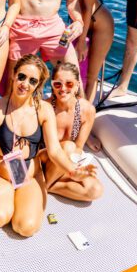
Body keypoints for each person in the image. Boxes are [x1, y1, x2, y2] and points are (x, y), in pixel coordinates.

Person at [0, 55, 96, 237]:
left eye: (32, 80)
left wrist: (72, 170)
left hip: (29, 175)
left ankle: (23, 198)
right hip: (0, 174)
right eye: (21, 77)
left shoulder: (44, 110)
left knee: (25, 228)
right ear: (13, 75)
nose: (24, 84)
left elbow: (55, 150)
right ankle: (4, 199)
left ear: (38, 84)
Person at [43, 63, 103, 202]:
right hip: (46, 160)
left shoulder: (87, 110)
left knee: (95, 190)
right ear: (52, 86)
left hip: (67, 163)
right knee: (68, 147)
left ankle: (49, 187)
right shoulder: (46, 107)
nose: (63, 89)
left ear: (77, 86)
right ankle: (45, 184)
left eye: (69, 84)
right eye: (58, 84)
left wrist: (77, 170)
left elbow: (79, 147)